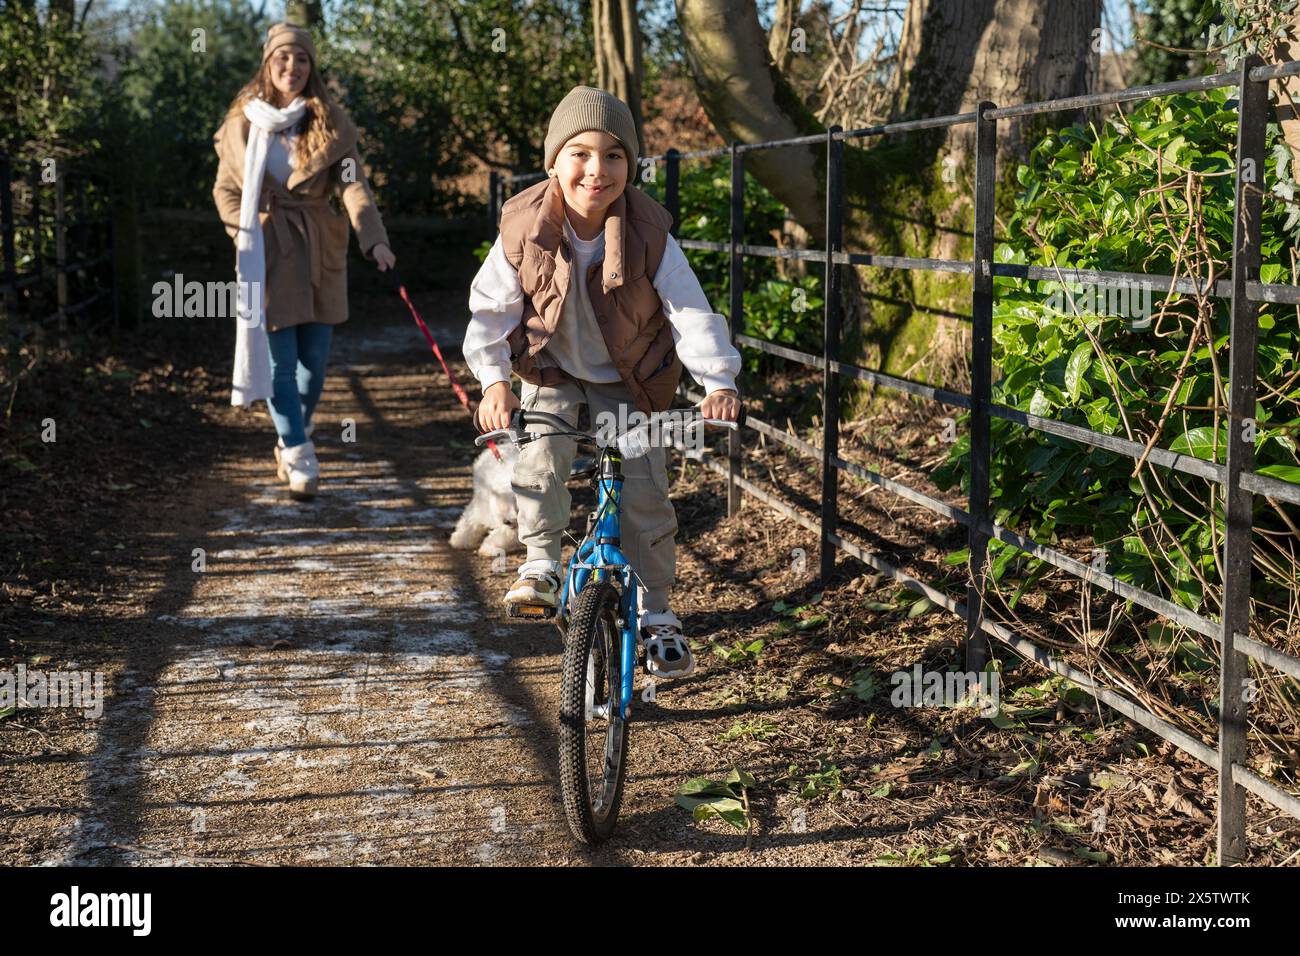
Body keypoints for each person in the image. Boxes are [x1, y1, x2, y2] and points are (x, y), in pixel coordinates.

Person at [463, 85, 742, 678]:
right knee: (541, 456)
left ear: (630, 166)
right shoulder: (522, 226)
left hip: (629, 380)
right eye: (580, 154)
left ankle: (658, 612)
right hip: (552, 370)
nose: (597, 170)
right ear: (554, 162)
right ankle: (540, 563)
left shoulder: (648, 232)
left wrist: (718, 380)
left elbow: (689, 311)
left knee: (643, 489)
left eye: (614, 155)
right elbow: (489, 310)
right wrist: (493, 382)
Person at [212, 22, 395, 499]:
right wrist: (243, 232)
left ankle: (294, 432)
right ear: (268, 64)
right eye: (282, 58)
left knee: (314, 364)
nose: (292, 67)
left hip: (320, 246)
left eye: (302, 59)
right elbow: (225, 190)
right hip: (267, 250)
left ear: (311, 67)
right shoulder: (242, 123)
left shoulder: (329, 120)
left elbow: (354, 185)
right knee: (280, 364)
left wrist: (373, 240)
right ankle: (298, 453)